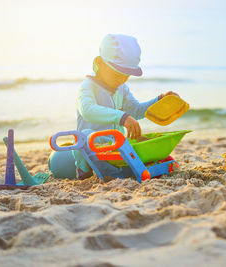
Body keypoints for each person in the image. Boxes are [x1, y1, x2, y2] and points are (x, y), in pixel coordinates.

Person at [73, 34, 178, 179]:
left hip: (116, 146)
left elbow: (135, 111)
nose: (122, 80)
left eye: (126, 75)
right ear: (100, 63)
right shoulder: (88, 86)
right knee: (82, 136)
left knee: (141, 142)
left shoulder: (122, 88)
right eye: (117, 74)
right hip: (93, 145)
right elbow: (87, 110)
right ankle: (85, 170)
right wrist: (123, 118)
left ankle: (131, 167)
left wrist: (159, 100)